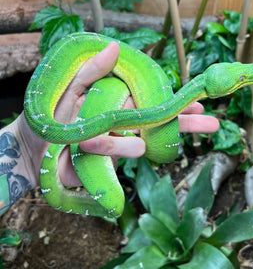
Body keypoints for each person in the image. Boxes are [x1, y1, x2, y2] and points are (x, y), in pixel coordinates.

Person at [0, 42, 219, 216]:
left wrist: (26, 150)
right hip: (52, 138)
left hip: (51, 142)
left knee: (116, 201)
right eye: (242, 80)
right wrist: (29, 149)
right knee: (116, 202)